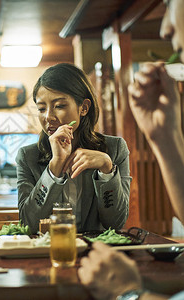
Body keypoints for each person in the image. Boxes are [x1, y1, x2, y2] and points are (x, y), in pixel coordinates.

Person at [78, 0, 184, 299]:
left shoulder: (113, 147)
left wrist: (128, 293)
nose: (164, 28)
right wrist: (164, 136)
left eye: (170, 4)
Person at [16, 63, 131, 234]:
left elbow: (116, 222)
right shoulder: (28, 156)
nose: (48, 116)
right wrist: (55, 167)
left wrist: (106, 168)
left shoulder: (114, 149)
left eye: (59, 106)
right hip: (50, 252)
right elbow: (29, 225)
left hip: (96, 254)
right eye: (41, 109)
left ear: (83, 108)